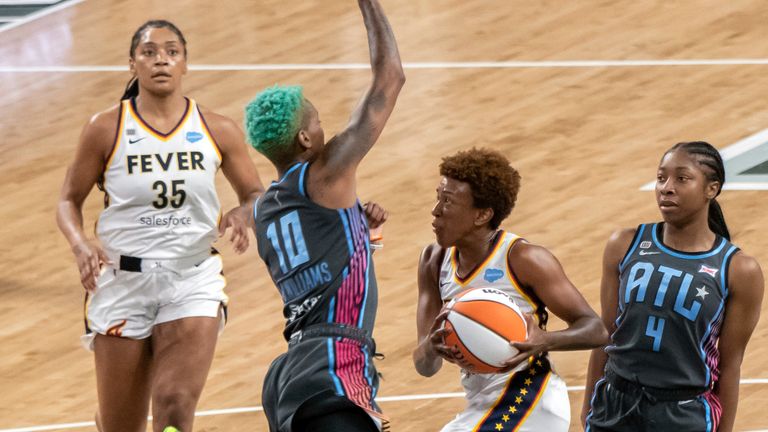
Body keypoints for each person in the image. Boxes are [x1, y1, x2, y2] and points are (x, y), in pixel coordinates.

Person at [56, 20, 264, 432]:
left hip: (192, 277)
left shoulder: (217, 128)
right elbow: (68, 200)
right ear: (132, 64)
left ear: (185, 63)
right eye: (149, 52)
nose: (161, 60)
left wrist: (243, 212)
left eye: (171, 51)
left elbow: (255, 192)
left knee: (174, 402)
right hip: (122, 280)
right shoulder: (105, 127)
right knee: (122, 425)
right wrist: (80, 244)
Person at [243, 0, 404, 430]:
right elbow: (390, 77)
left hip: (291, 374)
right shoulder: (326, 173)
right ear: (304, 138)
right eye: (317, 121)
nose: (323, 126)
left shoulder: (262, 211)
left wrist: (357, 227)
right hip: (333, 365)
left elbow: (317, 260)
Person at [413, 147, 609, 432]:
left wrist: (546, 339)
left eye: (448, 201)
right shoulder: (433, 260)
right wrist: (431, 348)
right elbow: (424, 367)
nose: (436, 210)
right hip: (481, 404)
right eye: (437, 197)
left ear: (482, 215)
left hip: (532, 397)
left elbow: (595, 329)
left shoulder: (524, 259)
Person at [582, 141, 764, 432]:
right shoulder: (624, 244)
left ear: (711, 189)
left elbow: (730, 365)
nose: (666, 187)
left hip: (684, 414)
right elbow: (607, 332)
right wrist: (589, 406)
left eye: (682, 178)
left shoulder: (739, 270)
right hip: (615, 405)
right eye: (661, 177)